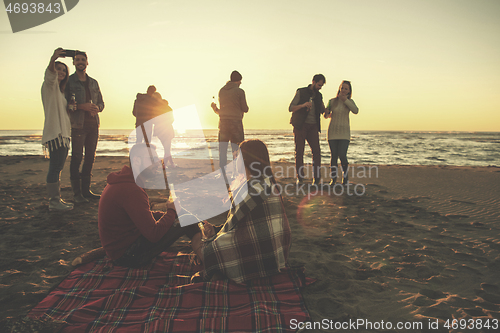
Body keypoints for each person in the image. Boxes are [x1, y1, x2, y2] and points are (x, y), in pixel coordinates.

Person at [190, 139, 291, 284]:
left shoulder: (249, 188)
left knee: (204, 247)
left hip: (260, 259)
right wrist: (216, 231)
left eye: (237, 156)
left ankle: (219, 271)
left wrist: (211, 238)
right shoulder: (270, 183)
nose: (235, 160)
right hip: (277, 257)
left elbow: (230, 227)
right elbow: (241, 223)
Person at [98, 143, 199, 268]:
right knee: (187, 221)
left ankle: (205, 238)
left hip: (120, 248)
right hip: (126, 256)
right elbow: (154, 234)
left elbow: (138, 217)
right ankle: (207, 254)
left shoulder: (125, 181)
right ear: (136, 160)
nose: (157, 163)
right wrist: (171, 212)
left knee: (181, 216)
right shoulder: (131, 190)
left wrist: (165, 215)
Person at [65, 51, 104, 202]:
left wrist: (97, 108)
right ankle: (77, 194)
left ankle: (86, 190)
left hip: (94, 125)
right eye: (77, 60)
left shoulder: (93, 82)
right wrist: (82, 106)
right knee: (76, 157)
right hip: (78, 125)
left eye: (83, 59)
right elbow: (66, 104)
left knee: (90, 158)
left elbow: (101, 102)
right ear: (74, 63)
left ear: (87, 62)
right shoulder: (69, 81)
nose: (80, 61)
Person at [41, 48, 73, 211]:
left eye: (64, 70)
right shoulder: (49, 86)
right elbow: (50, 75)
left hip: (64, 135)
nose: (60, 72)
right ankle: (54, 202)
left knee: (58, 167)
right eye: (58, 69)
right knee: (55, 167)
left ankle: (56, 200)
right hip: (56, 134)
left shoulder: (61, 93)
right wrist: (54, 57)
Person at [289, 74, 326, 185]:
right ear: (313, 82)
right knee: (299, 152)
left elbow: (323, 110)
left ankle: (317, 179)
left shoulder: (319, 96)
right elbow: (291, 108)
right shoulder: (301, 91)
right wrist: (303, 105)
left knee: (317, 152)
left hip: (313, 126)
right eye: (319, 85)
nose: (320, 87)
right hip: (300, 125)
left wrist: (327, 110)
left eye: (322, 86)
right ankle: (300, 178)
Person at [211, 70, 249, 177]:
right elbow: (245, 108)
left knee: (222, 149)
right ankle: (236, 173)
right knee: (236, 149)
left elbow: (221, 111)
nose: (240, 84)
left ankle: (222, 173)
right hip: (236, 123)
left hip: (223, 123)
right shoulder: (239, 91)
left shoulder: (221, 91)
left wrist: (214, 109)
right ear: (238, 81)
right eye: (240, 81)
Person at [324, 80, 359, 185]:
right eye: (342, 88)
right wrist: (326, 113)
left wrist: (345, 100)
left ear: (349, 91)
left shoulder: (350, 102)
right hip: (332, 132)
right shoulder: (332, 101)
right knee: (334, 156)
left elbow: (356, 111)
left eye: (346, 89)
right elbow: (326, 115)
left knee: (342, 155)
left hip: (344, 133)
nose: (343, 90)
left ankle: (345, 177)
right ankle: (333, 179)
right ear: (339, 88)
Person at [132, 86, 176, 167]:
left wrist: (140, 117)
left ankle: (136, 162)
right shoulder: (151, 101)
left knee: (138, 143)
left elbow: (134, 112)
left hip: (139, 124)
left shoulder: (138, 100)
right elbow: (169, 118)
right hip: (151, 126)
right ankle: (156, 164)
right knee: (150, 145)